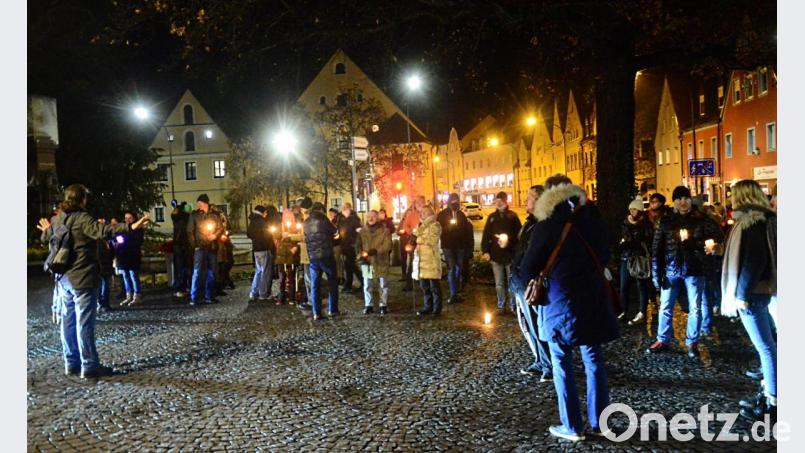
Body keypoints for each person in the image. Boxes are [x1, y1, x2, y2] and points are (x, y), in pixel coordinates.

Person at [516, 175, 620, 441]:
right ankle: (601, 422)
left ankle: (572, 426)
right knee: (594, 359)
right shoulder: (592, 219)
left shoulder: (548, 222)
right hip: (593, 297)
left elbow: (529, 266)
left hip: (559, 300)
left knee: (561, 361)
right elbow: (606, 253)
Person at [37, 184, 150, 379]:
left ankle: (71, 363)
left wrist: (47, 229)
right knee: (84, 323)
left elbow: (46, 237)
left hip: (63, 278)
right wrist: (130, 226)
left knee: (68, 322)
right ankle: (89, 366)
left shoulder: (59, 219)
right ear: (82, 199)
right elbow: (103, 230)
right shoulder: (82, 218)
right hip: (82, 278)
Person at [720, 180, 777, 421]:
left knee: (765, 347)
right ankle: (769, 392)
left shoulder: (751, 222)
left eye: (734, 194)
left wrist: (741, 294)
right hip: (761, 291)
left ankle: (773, 400)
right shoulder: (763, 219)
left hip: (752, 295)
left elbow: (754, 261)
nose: (731, 198)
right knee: (768, 345)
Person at [647, 186, 724, 357]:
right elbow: (656, 250)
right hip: (671, 269)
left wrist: (700, 245)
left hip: (694, 269)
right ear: (673, 201)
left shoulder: (702, 219)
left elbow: (718, 237)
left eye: (686, 198)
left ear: (690, 200)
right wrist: (656, 274)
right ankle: (662, 339)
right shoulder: (665, 221)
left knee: (695, 308)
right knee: (665, 306)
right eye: (679, 198)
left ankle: (692, 342)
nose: (683, 202)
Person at [510, 185, 552, 382]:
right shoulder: (529, 223)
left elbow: (535, 253)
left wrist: (527, 275)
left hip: (530, 282)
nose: (526, 201)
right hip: (520, 280)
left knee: (537, 324)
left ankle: (549, 364)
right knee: (527, 325)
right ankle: (539, 359)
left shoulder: (541, 224)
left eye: (530, 198)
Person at [481, 191, 522, 315]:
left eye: (500, 201)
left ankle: (513, 306)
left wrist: (509, 242)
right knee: (499, 283)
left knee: (511, 282)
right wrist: (485, 251)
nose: (497, 204)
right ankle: (501, 305)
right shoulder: (492, 217)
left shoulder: (513, 216)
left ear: (505, 201)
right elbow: (486, 234)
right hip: (496, 254)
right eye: (496, 201)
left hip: (510, 254)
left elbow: (519, 236)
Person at [619, 197, 653, 325]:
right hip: (626, 258)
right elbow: (623, 238)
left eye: (635, 209)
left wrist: (633, 241)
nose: (632, 211)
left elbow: (646, 240)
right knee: (624, 287)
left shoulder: (645, 224)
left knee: (641, 286)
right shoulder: (625, 223)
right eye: (631, 209)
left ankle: (642, 312)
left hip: (639, 258)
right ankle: (624, 311)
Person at [187, 194, 225, 305]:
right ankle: (194, 297)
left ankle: (209, 296)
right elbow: (190, 231)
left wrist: (215, 236)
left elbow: (220, 228)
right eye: (198, 203)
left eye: (200, 203)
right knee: (197, 272)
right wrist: (195, 245)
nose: (199, 205)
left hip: (212, 247)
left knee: (212, 272)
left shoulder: (214, 215)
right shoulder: (194, 215)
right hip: (200, 247)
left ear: (205, 203)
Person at [305, 202, 340, 320]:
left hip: (313, 257)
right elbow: (335, 232)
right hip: (326, 255)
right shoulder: (324, 220)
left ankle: (316, 313)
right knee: (332, 283)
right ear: (321, 210)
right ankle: (332, 310)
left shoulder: (306, 222)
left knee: (315, 285)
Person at [436, 193, 473, 304]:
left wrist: (468, 246)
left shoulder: (461, 215)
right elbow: (439, 230)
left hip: (460, 246)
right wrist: (449, 228)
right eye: (452, 201)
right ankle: (453, 293)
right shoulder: (442, 215)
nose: (454, 203)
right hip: (448, 246)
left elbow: (466, 232)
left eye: (456, 201)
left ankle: (456, 290)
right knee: (452, 269)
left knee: (458, 269)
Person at [356, 210, 393, 315]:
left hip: (381, 260)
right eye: (369, 217)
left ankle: (383, 305)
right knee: (367, 284)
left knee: (383, 284)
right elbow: (358, 245)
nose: (370, 218)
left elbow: (388, 245)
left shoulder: (385, 231)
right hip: (367, 261)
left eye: (373, 216)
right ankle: (369, 305)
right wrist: (360, 255)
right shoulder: (362, 232)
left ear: (377, 218)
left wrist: (377, 251)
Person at [413, 205, 443, 316]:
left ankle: (437, 308)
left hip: (431, 260)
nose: (422, 214)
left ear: (430, 214)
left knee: (434, 286)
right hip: (421, 260)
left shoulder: (435, 225)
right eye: (421, 212)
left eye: (424, 212)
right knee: (424, 286)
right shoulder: (420, 225)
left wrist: (418, 239)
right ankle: (427, 306)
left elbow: (432, 240)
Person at [113, 211, 145, 307]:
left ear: (134, 218)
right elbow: (117, 239)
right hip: (122, 256)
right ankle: (129, 295)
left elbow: (137, 242)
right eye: (125, 218)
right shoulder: (122, 228)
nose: (127, 220)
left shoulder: (138, 229)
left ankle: (137, 295)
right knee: (126, 277)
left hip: (133, 256)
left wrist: (125, 241)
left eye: (129, 218)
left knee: (133, 276)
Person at [247, 205, 275, 302]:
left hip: (256, 249)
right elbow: (267, 236)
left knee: (258, 271)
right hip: (264, 248)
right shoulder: (262, 222)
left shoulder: (252, 221)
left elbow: (249, 234)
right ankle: (264, 294)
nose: (266, 214)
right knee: (265, 272)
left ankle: (254, 292)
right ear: (262, 212)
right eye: (265, 213)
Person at [276, 207, 302, 304]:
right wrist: (281, 235)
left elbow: (299, 238)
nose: (287, 219)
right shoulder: (280, 226)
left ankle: (292, 296)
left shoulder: (295, 227)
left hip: (291, 254)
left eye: (289, 217)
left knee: (291, 276)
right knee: (282, 277)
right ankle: (281, 296)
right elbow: (274, 235)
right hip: (282, 255)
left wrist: (296, 247)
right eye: (286, 217)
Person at [398, 196, 425, 291]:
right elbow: (405, 225)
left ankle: (423, 283)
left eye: (421, 203)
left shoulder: (428, 213)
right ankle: (409, 284)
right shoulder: (412, 214)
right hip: (414, 240)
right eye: (418, 203)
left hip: (425, 241)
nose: (419, 205)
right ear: (415, 204)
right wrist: (411, 232)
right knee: (413, 262)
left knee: (425, 263)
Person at [338, 202, 363, 293]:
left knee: (350, 265)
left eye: (346, 208)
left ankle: (350, 285)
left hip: (352, 245)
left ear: (349, 209)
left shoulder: (354, 219)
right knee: (349, 266)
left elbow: (359, 231)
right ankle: (355, 283)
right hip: (344, 245)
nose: (344, 210)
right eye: (343, 208)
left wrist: (357, 242)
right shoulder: (342, 219)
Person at [171, 202, 191, 298]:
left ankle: (182, 287)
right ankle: (178, 288)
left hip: (183, 245)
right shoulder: (179, 217)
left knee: (184, 268)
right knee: (180, 268)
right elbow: (174, 214)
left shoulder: (185, 217)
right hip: (179, 245)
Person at [95, 220, 115, 312]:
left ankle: (105, 303)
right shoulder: (97, 239)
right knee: (100, 285)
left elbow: (112, 251)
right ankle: (101, 303)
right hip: (99, 265)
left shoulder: (108, 238)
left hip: (107, 264)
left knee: (106, 284)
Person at [328, 207, 344, 284]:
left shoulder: (337, 221)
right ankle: (338, 276)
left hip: (336, 244)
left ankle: (340, 277)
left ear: (334, 213)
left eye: (331, 213)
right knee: (336, 261)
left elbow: (337, 232)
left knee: (337, 261)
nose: (330, 215)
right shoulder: (333, 221)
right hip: (334, 243)